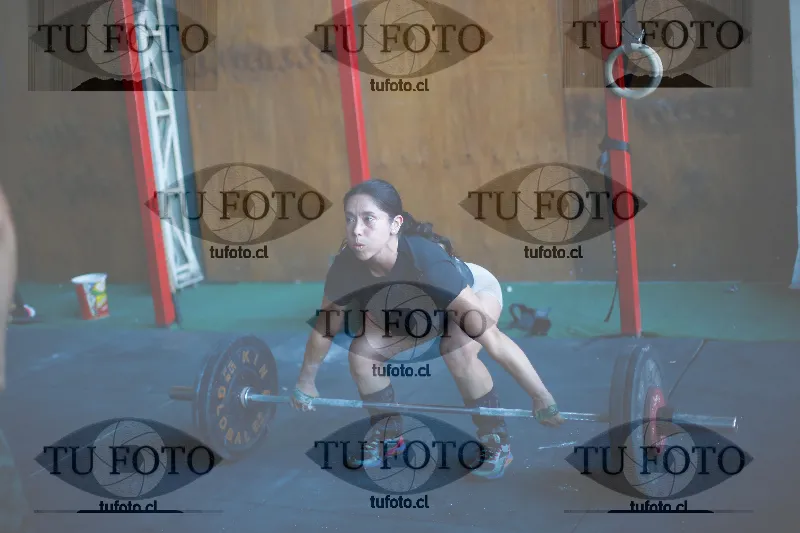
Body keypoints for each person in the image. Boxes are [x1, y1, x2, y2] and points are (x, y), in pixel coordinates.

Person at [291, 179, 564, 479]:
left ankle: (495, 440)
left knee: (457, 350)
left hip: (472, 290)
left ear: (395, 224)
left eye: (368, 219)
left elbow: (495, 341)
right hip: (415, 312)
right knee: (362, 353)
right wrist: (306, 381)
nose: (356, 230)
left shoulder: (428, 262)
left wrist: (540, 396)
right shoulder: (346, 265)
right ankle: (388, 436)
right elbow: (325, 328)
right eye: (350, 219)